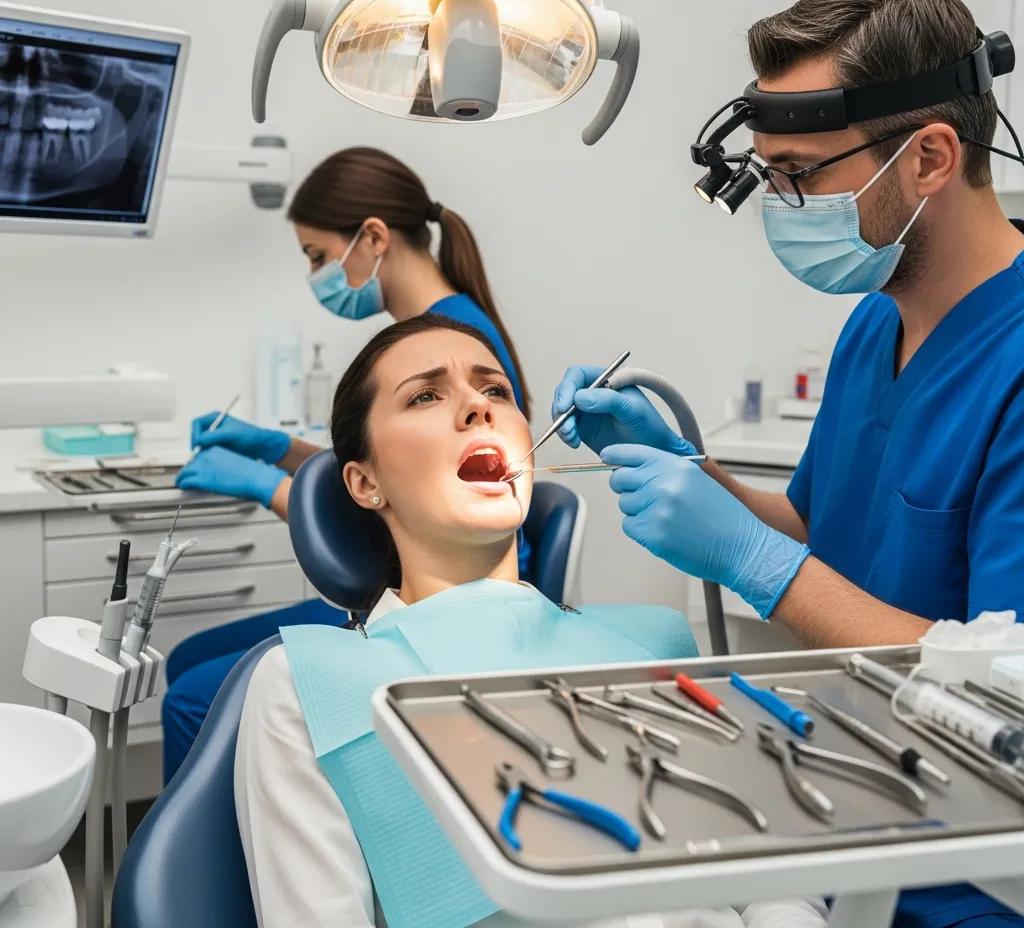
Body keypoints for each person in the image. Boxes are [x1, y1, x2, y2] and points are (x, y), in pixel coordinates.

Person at [554, 0, 1024, 928]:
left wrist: (753, 563)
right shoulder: (875, 320)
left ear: (930, 158)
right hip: (846, 801)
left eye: (799, 175)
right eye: (766, 175)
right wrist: (694, 471)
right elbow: (818, 522)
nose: (778, 203)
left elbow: (1004, 685)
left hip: (973, 871)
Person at [235, 313, 827, 928]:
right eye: (425, 396)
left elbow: (773, 875)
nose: (477, 406)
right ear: (365, 482)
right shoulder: (311, 684)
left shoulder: (652, 639)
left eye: (496, 390)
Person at [162, 147, 532, 782]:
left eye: (317, 256)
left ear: (373, 238)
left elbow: (422, 491)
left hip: (432, 593)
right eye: (425, 396)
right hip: (409, 576)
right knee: (188, 659)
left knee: (193, 697)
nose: (316, 274)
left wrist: (271, 487)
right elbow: (389, 467)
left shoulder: (446, 341)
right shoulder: (438, 330)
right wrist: (277, 449)